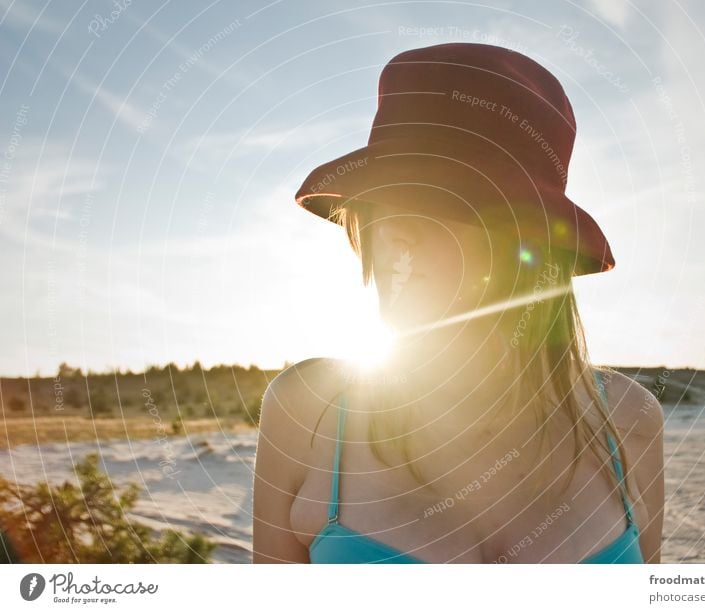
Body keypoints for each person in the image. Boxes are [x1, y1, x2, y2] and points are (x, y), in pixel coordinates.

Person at [253, 42, 664, 563]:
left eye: (444, 200)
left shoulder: (630, 423)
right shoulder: (306, 410)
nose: (398, 235)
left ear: (531, 247)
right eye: (386, 201)